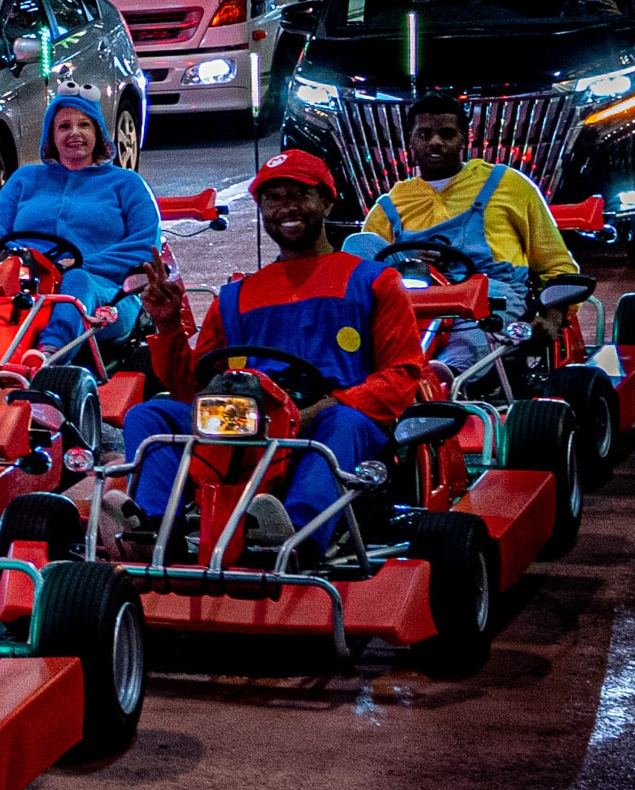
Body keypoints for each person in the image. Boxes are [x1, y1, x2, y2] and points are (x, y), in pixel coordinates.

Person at [118, 151, 425, 548]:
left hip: (328, 418)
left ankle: (294, 535)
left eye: (299, 195)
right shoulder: (235, 296)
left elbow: (402, 375)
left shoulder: (374, 281)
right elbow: (191, 391)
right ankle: (155, 528)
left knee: (343, 425)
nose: (286, 208)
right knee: (150, 415)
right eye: (273, 198)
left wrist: (328, 405)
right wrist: (167, 324)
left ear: (327, 201)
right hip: (246, 421)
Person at [351, 92, 578, 374]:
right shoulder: (390, 205)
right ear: (410, 140)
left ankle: (445, 382)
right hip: (412, 302)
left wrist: (553, 318)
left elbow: (556, 265)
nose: (435, 142)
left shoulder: (507, 185)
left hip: (488, 299)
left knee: (461, 351)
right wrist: (407, 265)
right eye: (424, 134)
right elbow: (361, 273)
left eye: (446, 134)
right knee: (359, 244)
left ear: (464, 138)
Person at [0, 92, 161, 350]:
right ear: (50, 135)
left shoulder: (127, 183)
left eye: (84, 125)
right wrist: (8, 267)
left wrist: (72, 266)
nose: (74, 133)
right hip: (25, 288)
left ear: (98, 131)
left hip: (105, 291)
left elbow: (144, 245)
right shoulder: (23, 179)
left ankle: (48, 356)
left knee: (77, 280)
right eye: (64, 126)